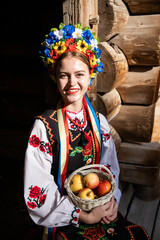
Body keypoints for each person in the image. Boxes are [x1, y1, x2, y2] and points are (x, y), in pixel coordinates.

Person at [24, 23, 150, 240]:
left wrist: (111, 203)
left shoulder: (98, 122)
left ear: (90, 77)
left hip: (99, 206)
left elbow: (110, 170)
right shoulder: (44, 127)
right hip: (64, 217)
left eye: (79, 74)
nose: (72, 83)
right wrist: (81, 215)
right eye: (64, 75)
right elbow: (38, 189)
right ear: (55, 78)